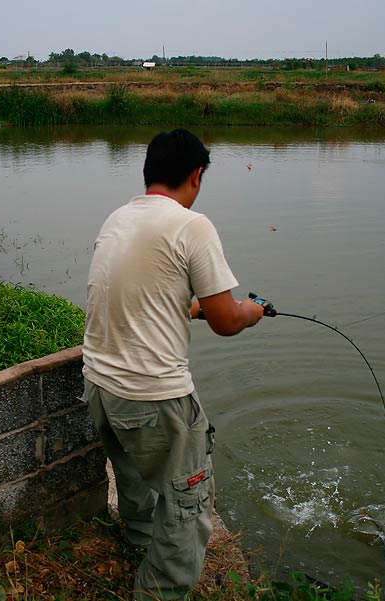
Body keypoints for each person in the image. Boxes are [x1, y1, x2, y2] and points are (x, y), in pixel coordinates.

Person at [82, 128, 264, 600]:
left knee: (134, 480)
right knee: (189, 507)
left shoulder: (118, 219)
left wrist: (194, 306)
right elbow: (227, 321)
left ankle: (140, 539)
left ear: (148, 173)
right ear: (196, 176)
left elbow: (144, 295)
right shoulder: (191, 224)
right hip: (153, 396)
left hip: (100, 387)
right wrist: (251, 311)